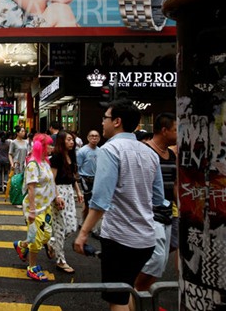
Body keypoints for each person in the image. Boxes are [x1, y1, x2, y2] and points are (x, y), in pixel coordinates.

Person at [73, 99, 167, 311]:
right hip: (146, 237)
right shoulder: (149, 153)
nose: (102, 123)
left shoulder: (110, 150)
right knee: (127, 289)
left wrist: (83, 233)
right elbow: (159, 197)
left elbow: (100, 200)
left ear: (117, 121)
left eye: (105, 118)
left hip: (120, 237)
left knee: (116, 299)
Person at [135, 113, 178, 291]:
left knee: (160, 263)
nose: (178, 134)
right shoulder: (145, 151)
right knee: (156, 259)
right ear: (164, 130)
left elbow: (175, 184)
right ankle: (134, 290)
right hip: (150, 214)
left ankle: (141, 295)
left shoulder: (171, 154)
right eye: (176, 130)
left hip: (168, 213)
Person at [12, 133, 58, 281]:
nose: (52, 147)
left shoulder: (45, 162)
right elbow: (30, 188)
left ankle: (21, 245)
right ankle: (32, 267)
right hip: (34, 208)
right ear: (42, 147)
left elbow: (51, 182)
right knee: (36, 240)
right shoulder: (33, 164)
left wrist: (57, 196)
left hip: (46, 206)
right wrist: (31, 211)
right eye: (49, 145)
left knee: (45, 235)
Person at [46, 130, 83, 274]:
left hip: (69, 192)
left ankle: (52, 243)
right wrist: (56, 196)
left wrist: (78, 191)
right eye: (68, 139)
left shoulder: (72, 156)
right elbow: (51, 179)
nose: (72, 142)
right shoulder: (56, 157)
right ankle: (61, 261)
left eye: (72, 140)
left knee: (72, 227)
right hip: (59, 193)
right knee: (61, 228)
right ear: (62, 141)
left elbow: (73, 176)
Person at [76, 130, 100, 223]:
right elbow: (78, 166)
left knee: (93, 202)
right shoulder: (82, 151)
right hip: (85, 179)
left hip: (97, 179)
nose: (94, 138)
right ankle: (86, 223)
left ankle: (86, 222)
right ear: (88, 138)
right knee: (88, 202)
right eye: (92, 136)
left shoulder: (100, 151)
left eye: (96, 136)